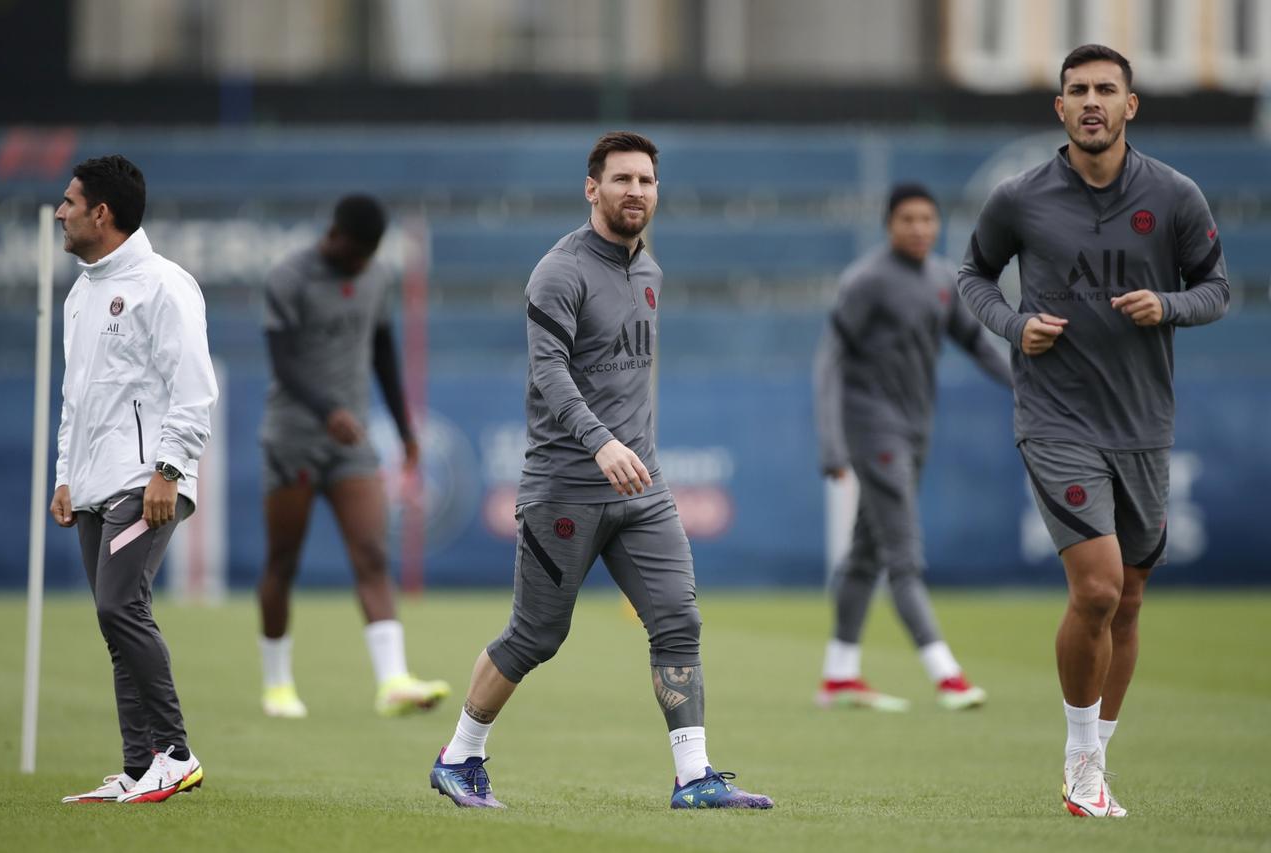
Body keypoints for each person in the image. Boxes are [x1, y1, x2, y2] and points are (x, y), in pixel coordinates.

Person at [428, 131, 772, 810]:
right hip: (565, 487)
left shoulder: (650, 271)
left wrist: (634, 448)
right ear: (592, 188)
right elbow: (548, 370)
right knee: (536, 636)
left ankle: (694, 777)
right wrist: (600, 442)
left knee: (678, 619)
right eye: (621, 180)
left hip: (642, 488)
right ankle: (459, 755)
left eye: (646, 180)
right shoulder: (559, 271)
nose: (635, 191)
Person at [958, 45, 1228, 818]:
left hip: (1143, 422)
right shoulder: (1019, 198)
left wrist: (1167, 305)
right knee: (1100, 586)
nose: (1092, 102)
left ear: (1130, 105)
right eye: (1077, 90)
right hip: (1054, 417)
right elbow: (972, 276)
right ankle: (1080, 760)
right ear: (1060, 108)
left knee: (1131, 599)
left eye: (1106, 89)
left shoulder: (1175, 195)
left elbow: (1218, 288)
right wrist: (1013, 325)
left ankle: (1096, 761)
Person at [51, 155, 218, 803]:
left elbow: (194, 387)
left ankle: (175, 753)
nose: (59, 212)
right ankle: (138, 765)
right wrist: (65, 475)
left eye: (69, 201)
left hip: (146, 482)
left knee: (119, 606)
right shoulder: (79, 292)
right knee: (116, 618)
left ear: (102, 212)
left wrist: (170, 471)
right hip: (92, 486)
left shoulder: (164, 284)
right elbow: (76, 398)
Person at [813, 184, 1011, 713]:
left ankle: (838, 675)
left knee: (866, 553)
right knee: (904, 555)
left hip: (915, 431)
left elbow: (976, 343)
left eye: (928, 218)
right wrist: (832, 444)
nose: (920, 228)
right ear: (889, 224)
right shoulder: (867, 280)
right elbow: (829, 362)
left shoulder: (945, 278)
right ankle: (946, 674)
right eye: (908, 219)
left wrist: (1027, 384)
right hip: (873, 432)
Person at [257, 195, 449, 719]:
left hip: (352, 441)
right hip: (293, 437)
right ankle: (277, 684)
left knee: (371, 553)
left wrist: (405, 427)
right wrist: (326, 411)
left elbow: (383, 349)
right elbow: (283, 362)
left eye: (370, 255)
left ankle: (392, 682)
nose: (362, 263)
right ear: (334, 235)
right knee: (283, 561)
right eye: (356, 252)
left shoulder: (375, 277)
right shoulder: (289, 277)